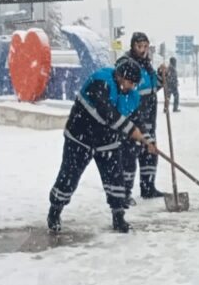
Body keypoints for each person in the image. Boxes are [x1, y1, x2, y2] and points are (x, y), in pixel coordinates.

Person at [47, 60, 156, 233]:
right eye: (130, 82)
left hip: (107, 141)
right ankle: (55, 209)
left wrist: (147, 140)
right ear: (121, 76)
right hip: (80, 138)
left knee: (115, 177)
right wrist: (131, 130)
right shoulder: (100, 81)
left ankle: (118, 215)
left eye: (135, 84)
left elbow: (137, 119)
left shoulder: (131, 95)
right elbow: (106, 112)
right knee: (69, 176)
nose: (132, 87)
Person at [117, 32, 166, 202]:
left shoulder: (147, 65)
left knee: (150, 154)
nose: (143, 50)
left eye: (145, 46)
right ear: (132, 46)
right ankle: (125, 194)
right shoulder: (127, 65)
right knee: (130, 156)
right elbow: (126, 91)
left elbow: (152, 88)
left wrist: (161, 77)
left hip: (149, 118)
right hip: (133, 119)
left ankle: (148, 188)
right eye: (139, 46)